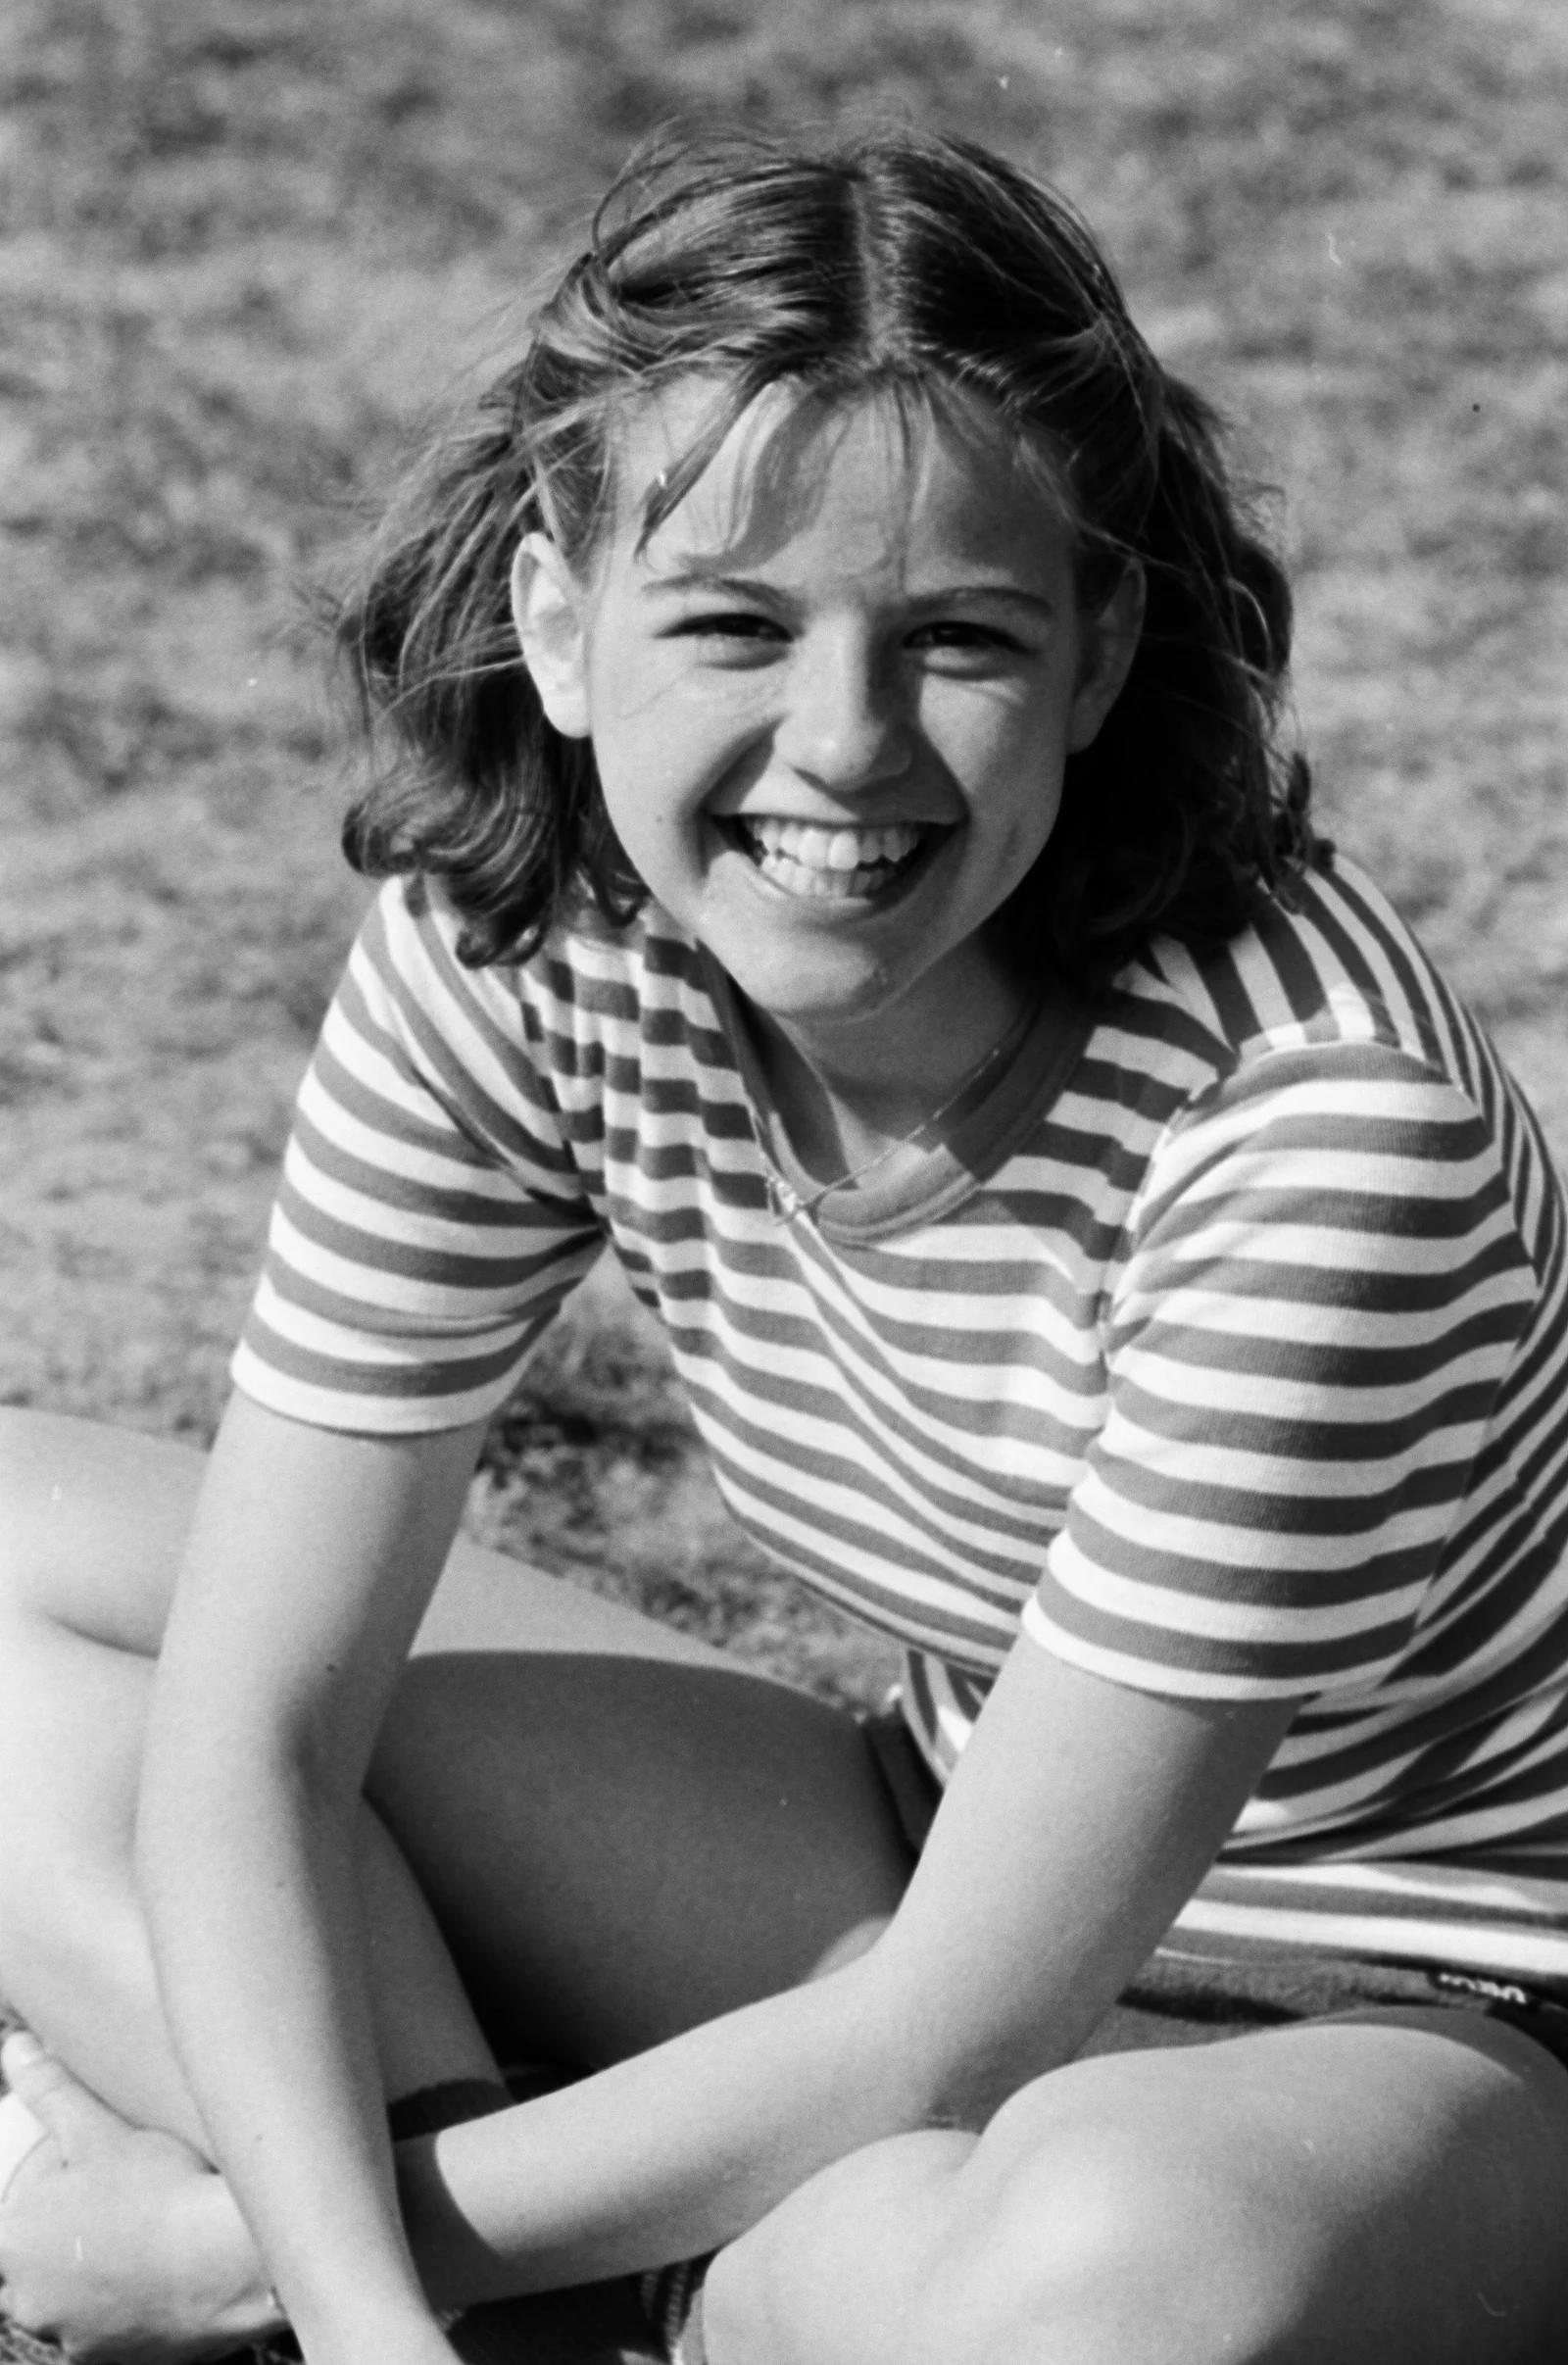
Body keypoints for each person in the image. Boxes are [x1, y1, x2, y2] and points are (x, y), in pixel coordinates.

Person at [2, 122, 1568, 2365]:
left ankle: (614, 2248)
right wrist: (353, 2318)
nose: (839, 750)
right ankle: (612, 2268)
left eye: (957, 640)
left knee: (1105, 2282)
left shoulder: (1314, 1135)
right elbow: (260, 1729)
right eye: (733, 625)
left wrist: (217, 2259)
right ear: (559, 622)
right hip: (929, 1854)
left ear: (1099, 649)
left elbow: (948, 2030)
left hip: (1417, 2010)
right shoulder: (527, 934)